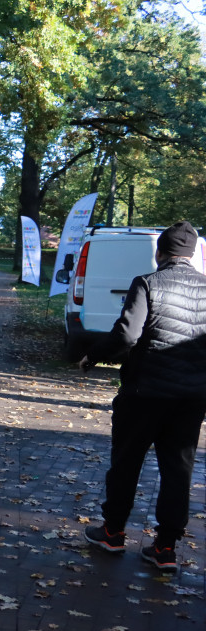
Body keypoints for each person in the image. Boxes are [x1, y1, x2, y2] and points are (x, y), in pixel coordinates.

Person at [81, 221, 206, 572]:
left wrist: (93, 355)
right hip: (191, 399)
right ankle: (165, 547)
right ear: (192, 254)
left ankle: (113, 532)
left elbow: (126, 335)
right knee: (178, 470)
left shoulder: (148, 283)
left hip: (144, 393)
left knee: (126, 463)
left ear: (160, 252)